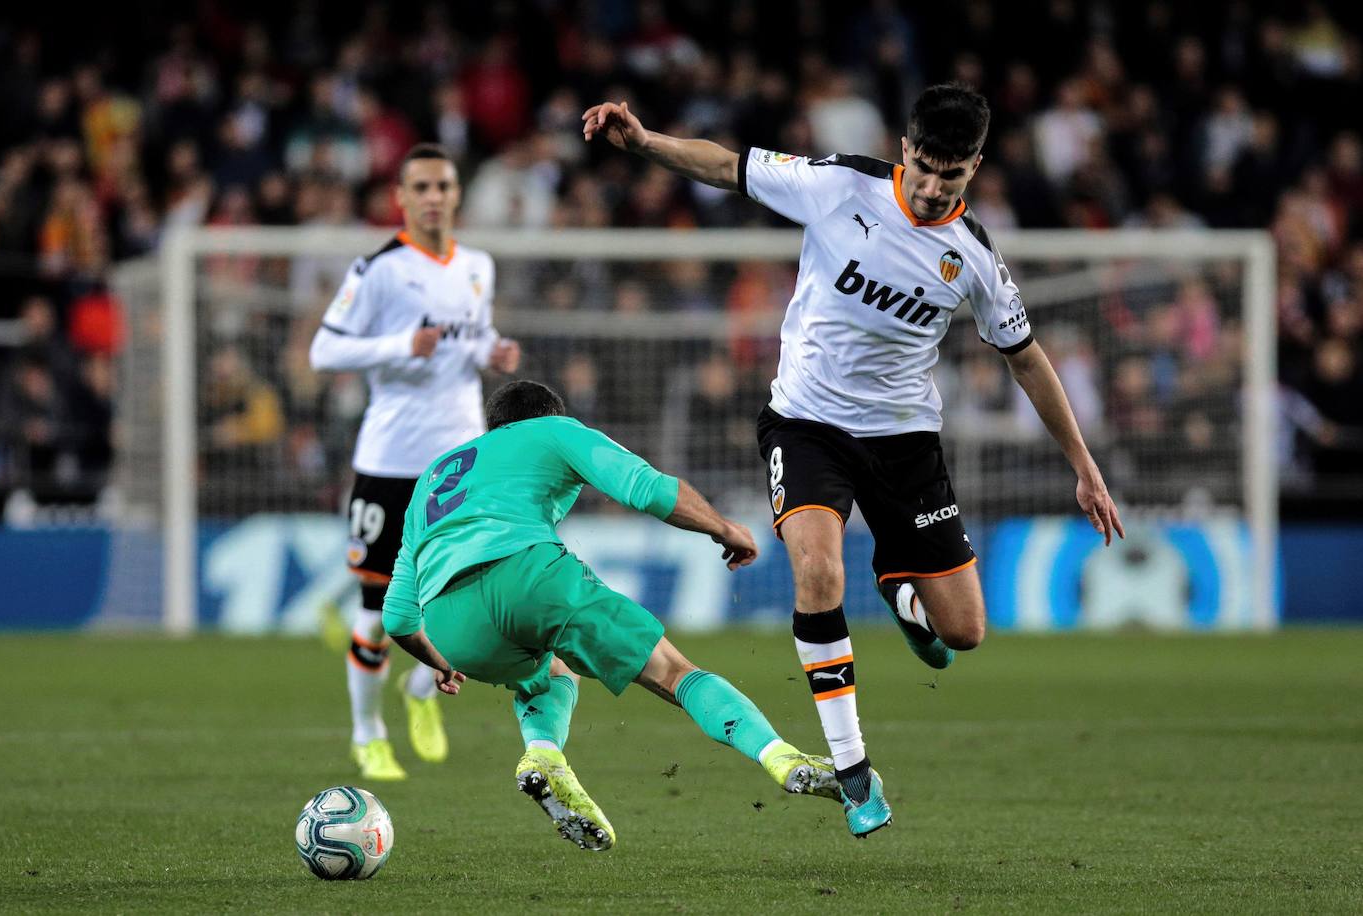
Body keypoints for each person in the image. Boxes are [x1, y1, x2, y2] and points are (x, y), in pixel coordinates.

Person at [582, 84, 1125, 837]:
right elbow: (726, 166)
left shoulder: (973, 257)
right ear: (905, 149)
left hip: (904, 443)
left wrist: (1085, 467)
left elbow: (1026, 360)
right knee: (818, 571)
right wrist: (645, 144)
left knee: (963, 633)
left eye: (955, 176)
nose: (936, 189)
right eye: (927, 168)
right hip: (805, 423)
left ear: (975, 169)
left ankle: (904, 596)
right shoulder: (840, 185)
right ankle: (854, 769)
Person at [383, 380, 840, 851]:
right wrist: (723, 528)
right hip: (528, 573)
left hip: (449, 627)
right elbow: (647, 489)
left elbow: (397, 617)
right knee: (674, 672)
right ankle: (781, 757)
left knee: (547, 674)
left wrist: (441, 662)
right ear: (549, 414)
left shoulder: (433, 479)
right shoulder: (554, 430)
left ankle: (543, 755)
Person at [309, 143, 521, 781]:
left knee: (475, 603)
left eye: (444, 186)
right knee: (377, 615)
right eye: (421, 186)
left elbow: (469, 338)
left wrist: (494, 351)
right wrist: (400, 343)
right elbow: (323, 351)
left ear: (457, 194)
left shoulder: (479, 267)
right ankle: (367, 732)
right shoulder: (378, 269)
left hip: (461, 462)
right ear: (401, 197)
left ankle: (423, 692)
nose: (434, 197)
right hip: (389, 463)